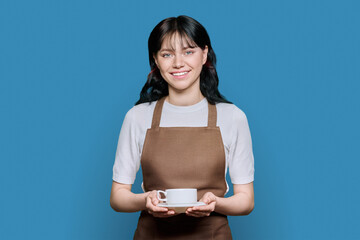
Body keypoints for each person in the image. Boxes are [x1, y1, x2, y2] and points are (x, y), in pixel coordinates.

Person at [110, 15, 255, 239]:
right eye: (167, 54)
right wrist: (145, 201)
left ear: (204, 54)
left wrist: (215, 203)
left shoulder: (233, 117)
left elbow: (246, 201)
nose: (178, 63)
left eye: (188, 51)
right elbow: (118, 196)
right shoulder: (137, 117)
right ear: (156, 60)